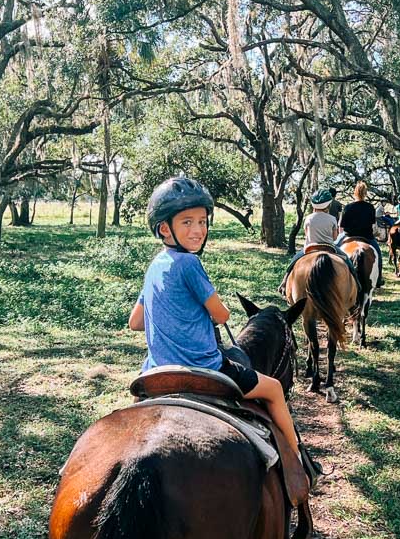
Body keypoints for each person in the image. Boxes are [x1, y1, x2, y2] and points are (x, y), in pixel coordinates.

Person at [129, 177, 311, 505]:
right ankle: (298, 457)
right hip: (204, 367)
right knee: (272, 389)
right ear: (164, 229)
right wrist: (207, 310)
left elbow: (135, 322)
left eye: (202, 221)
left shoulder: (154, 266)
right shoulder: (189, 263)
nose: (198, 229)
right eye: (187, 222)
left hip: (157, 370)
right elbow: (223, 315)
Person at [279, 188, 359, 293]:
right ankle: (357, 284)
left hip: (310, 247)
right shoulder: (332, 219)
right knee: (347, 261)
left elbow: (307, 234)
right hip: (329, 247)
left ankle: (284, 283)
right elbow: (335, 238)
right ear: (328, 205)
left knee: (294, 261)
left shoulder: (308, 218)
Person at [337, 181, 384, 287]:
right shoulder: (370, 207)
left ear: (355, 193)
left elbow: (342, 225)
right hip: (367, 236)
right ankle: (379, 278)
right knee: (378, 253)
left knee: (334, 250)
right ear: (365, 193)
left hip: (349, 236)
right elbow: (372, 224)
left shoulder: (348, 207)